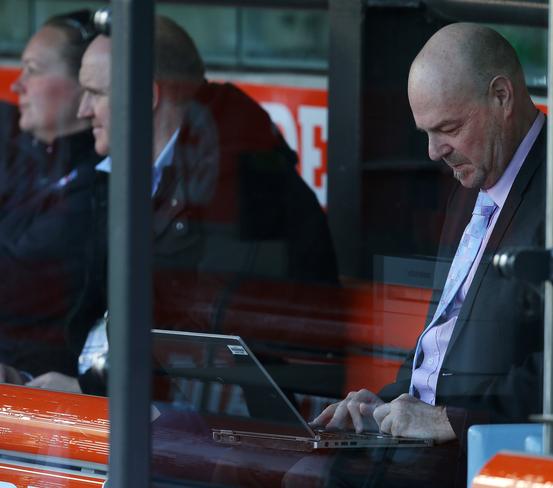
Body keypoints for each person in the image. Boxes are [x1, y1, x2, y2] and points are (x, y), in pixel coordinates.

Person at [306, 22, 553, 487]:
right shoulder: (473, 182)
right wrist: (385, 404)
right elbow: (443, 338)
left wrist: (455, 419)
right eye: (426, 132)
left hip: (489, 459)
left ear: (502, 98)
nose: (432, 152)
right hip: (435, 449)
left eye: (448, 128)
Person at [23, 15, 339, 395]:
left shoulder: (241, 182)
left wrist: (88, 387)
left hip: (238, 422)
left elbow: (203, 337)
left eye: (97, 93)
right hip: (152, 403)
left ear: (148, 96)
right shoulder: (135, 170)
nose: (83, 110)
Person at [0, 11, 105, 384]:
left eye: (33, 69)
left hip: (39, 386)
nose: (18, 85)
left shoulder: (102, 182)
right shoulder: (28, 152)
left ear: (83, 83)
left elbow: (18, 281)